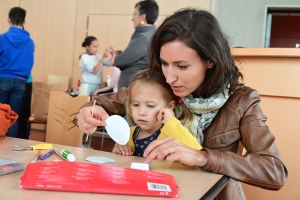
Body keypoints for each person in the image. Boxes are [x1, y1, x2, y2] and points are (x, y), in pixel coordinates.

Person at [73, 8, 288, 199]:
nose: (169, 78)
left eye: (182, 66)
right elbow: (102, 103)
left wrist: (202, 156)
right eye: (165, 64)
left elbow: (275, 171)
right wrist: (89, 111)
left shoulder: (241, 100)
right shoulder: (161, 85)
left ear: (210, 60)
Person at [112, 69, 201, 157]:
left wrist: (171, 121)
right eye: (136, 104)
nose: (141, 112)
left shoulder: (173, 133)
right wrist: (117, 153)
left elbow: (196, 152)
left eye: (150, 106)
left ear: (169, 107)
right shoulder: (127, 134)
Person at [106, 0, 159, 89]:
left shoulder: (144, 37)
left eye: (135, 14)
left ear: (143, 17)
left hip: (133, 88)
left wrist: (114, 59)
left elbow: (121, 61)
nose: (132, 18)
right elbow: (130, 58)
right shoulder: (150, 34)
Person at [0, 7, 35, 138]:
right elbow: (29, 63)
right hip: (21, 82)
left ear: (8, 19)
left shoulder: (2, 39)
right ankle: (11, 150)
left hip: (2, 80)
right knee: (13, 117)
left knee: (0, 114)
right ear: (24, 22)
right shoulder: (30, 42)